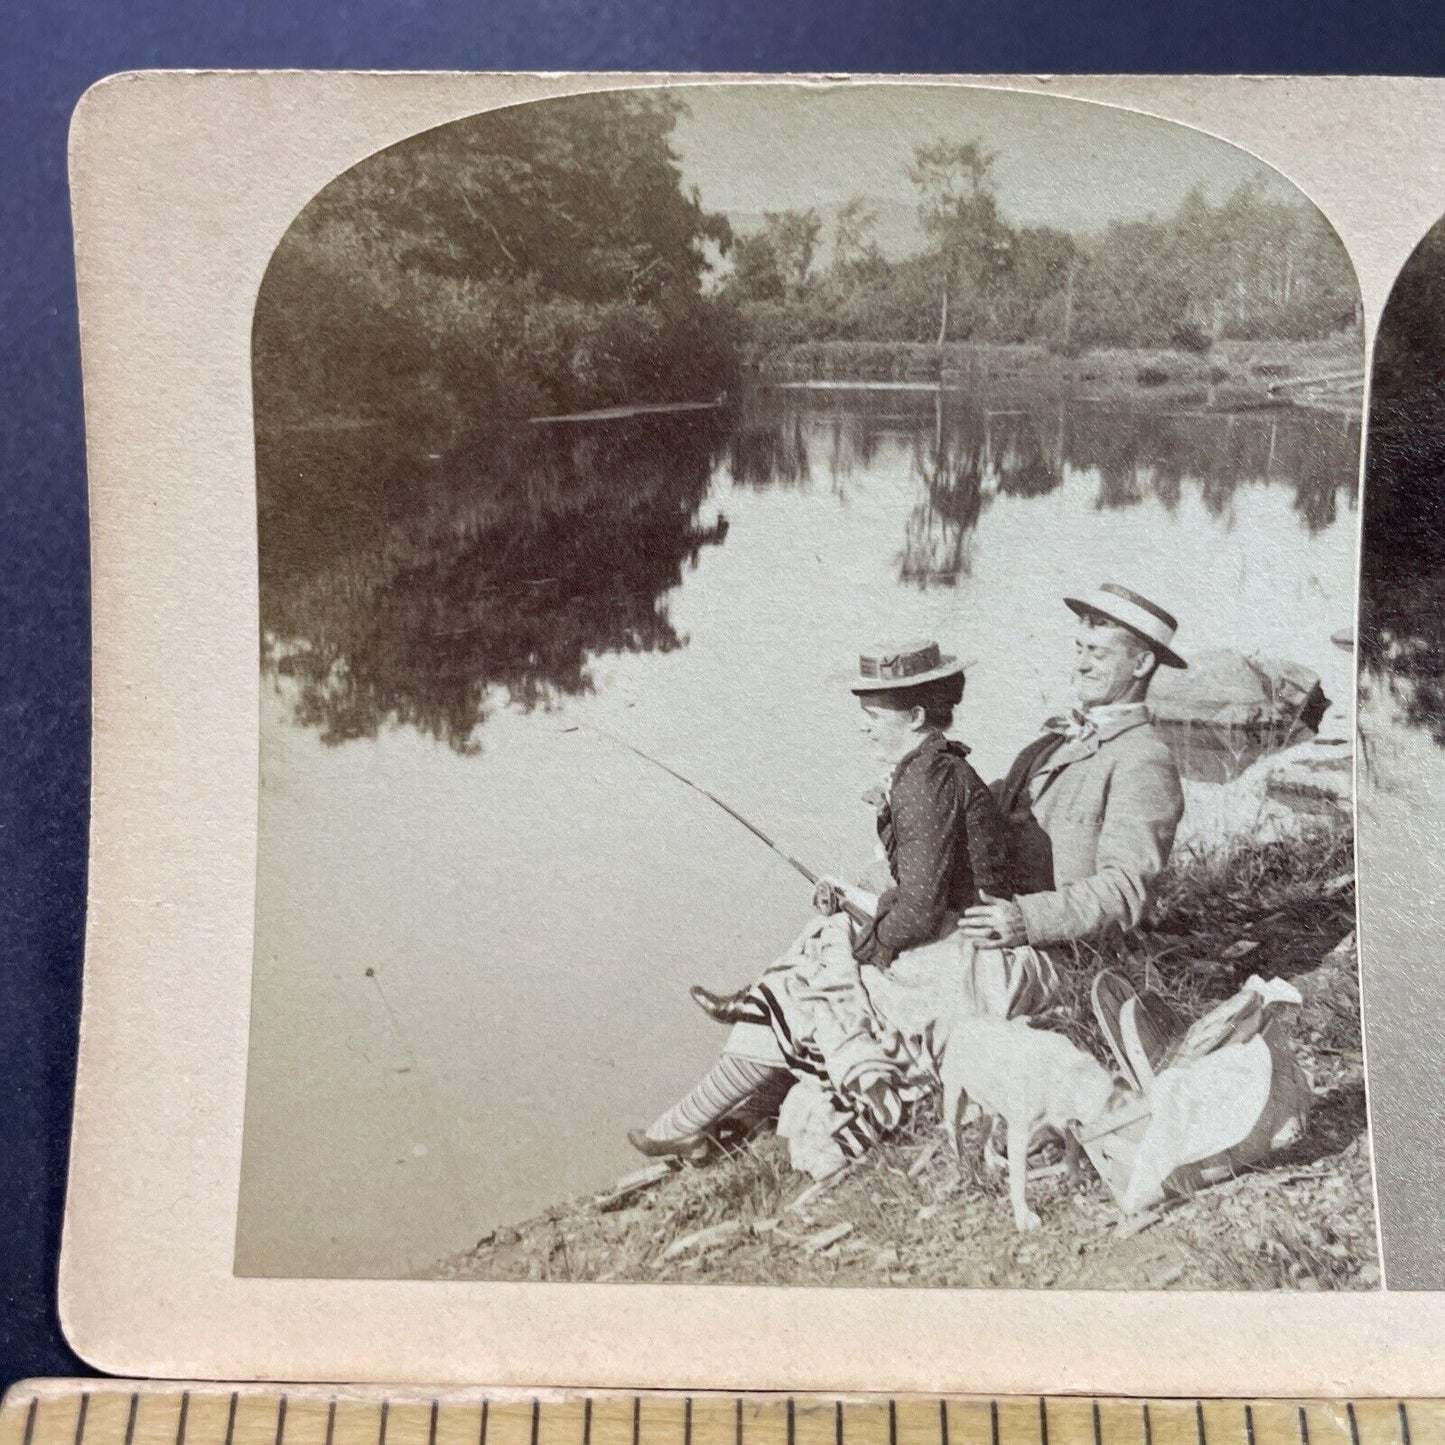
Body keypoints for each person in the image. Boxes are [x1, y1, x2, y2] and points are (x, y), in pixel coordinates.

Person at [628, 640, 1011, 1160]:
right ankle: (710, 1122)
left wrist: (866, 951)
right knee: (820, 953)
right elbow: (924, 890)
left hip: (966, 953)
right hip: (952, 931)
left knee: (818, 981)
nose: (864, 727)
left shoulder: (926, 779)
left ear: (917, 715)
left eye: (874, 716)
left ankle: (692, 1120)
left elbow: (921, 909)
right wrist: (856, 903)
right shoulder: (929, 768)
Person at [959, 582, 1187, 955]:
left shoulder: (1142, 757)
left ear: (1141, 664)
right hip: (999, 925)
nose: (1080, 664)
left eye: (1097, 653)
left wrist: (1027, 919)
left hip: (1060, 950)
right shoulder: (1062, 739)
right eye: (1079, 649)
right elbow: (990, 808)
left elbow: (1126, 890)